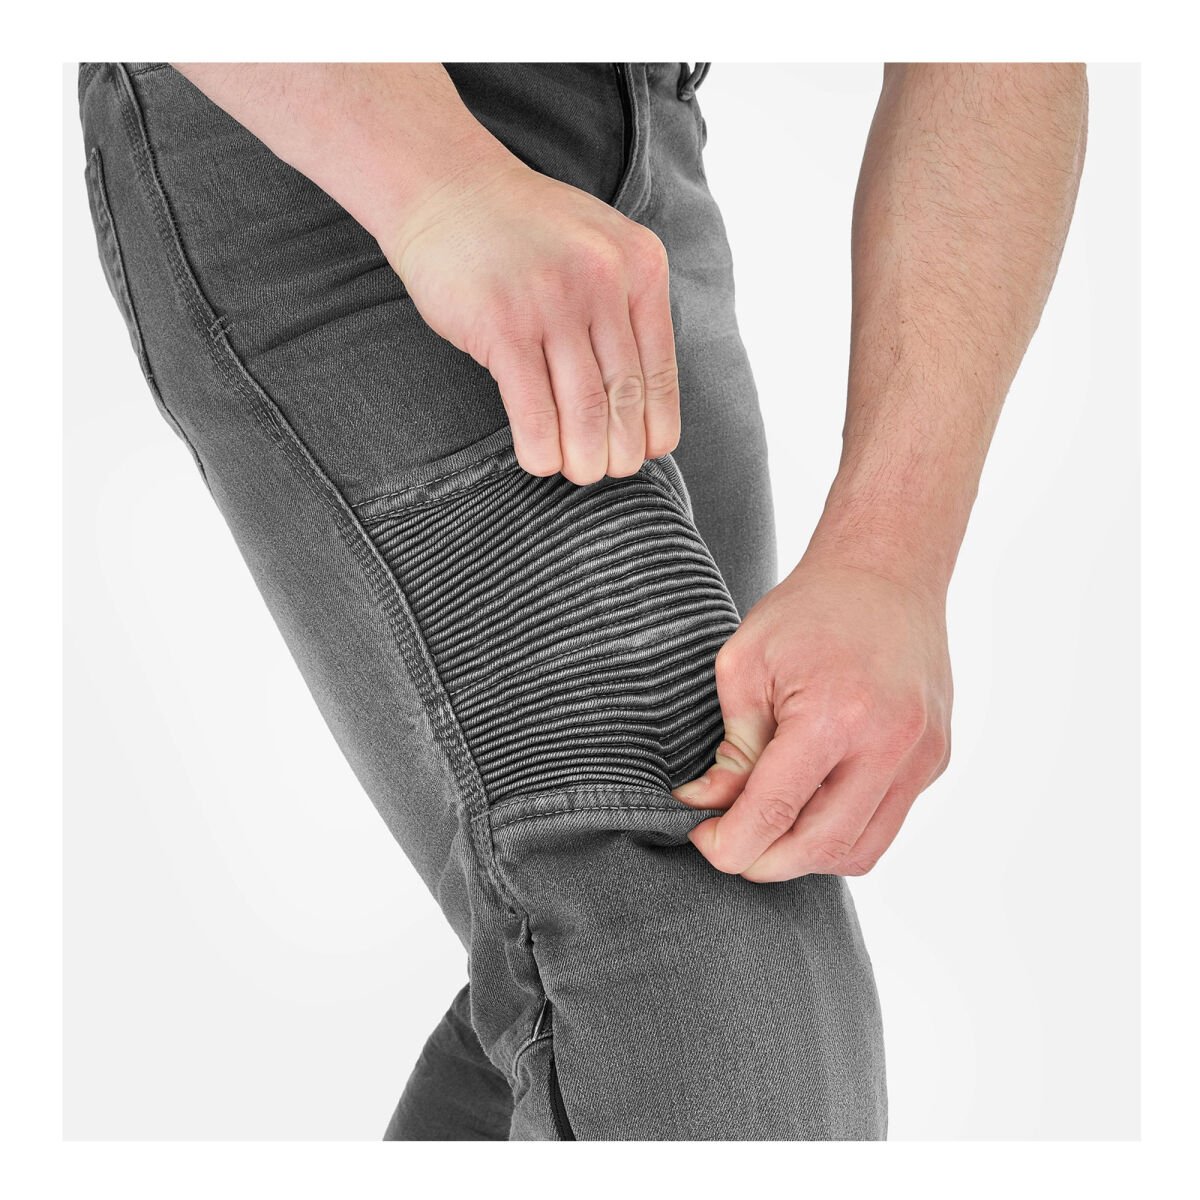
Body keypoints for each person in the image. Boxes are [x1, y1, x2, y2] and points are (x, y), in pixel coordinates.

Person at [77, 61, 1088, 1140]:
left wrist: (890, 554)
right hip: (351, 114)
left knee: (629, 958)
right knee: (702, 974)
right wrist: (443, 185)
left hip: (647, 142)